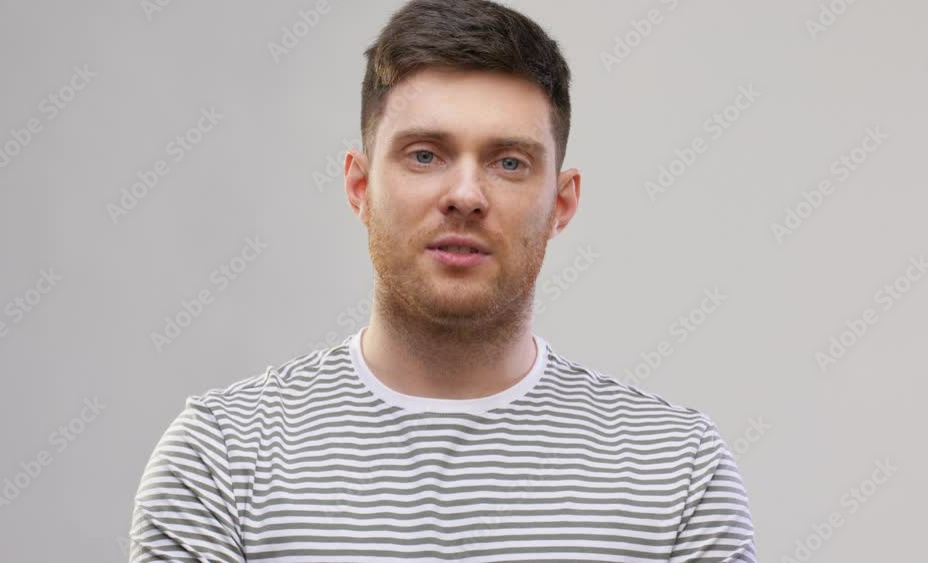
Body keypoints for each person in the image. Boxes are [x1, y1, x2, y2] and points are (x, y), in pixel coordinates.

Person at [129, 0, 757, 560]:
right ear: (360, 187)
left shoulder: (678, 472)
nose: (464, 195)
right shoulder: (219, 461)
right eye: (424, 154)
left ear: (561, 203)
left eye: (509, 162)